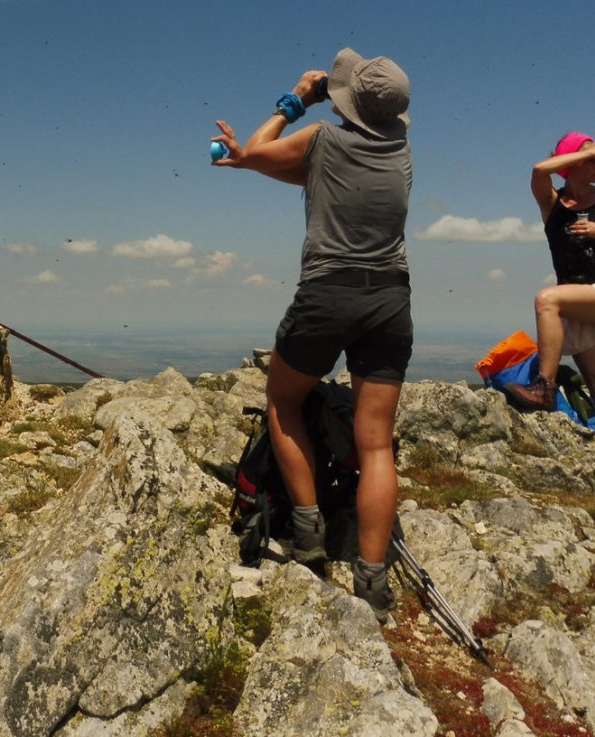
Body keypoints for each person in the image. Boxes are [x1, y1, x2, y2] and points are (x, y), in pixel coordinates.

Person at [213, 48, 412, 622]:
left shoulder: (323, 137)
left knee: (283, 402)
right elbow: (283, 167)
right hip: (391, 299)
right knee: (376, 443)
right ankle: (372, 581)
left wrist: (297, 98)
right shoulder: (401, 150)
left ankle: (308, 533)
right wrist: (248, 162)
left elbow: (260, 148)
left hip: (328, 293)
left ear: (345, 104)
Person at [503, 134, 595, 425]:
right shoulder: (552, 202)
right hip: (575, 299)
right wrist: (588, 150)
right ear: (573, 162)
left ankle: (544, 388)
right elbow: (539, 170)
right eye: (592, 159)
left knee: (546, 300)